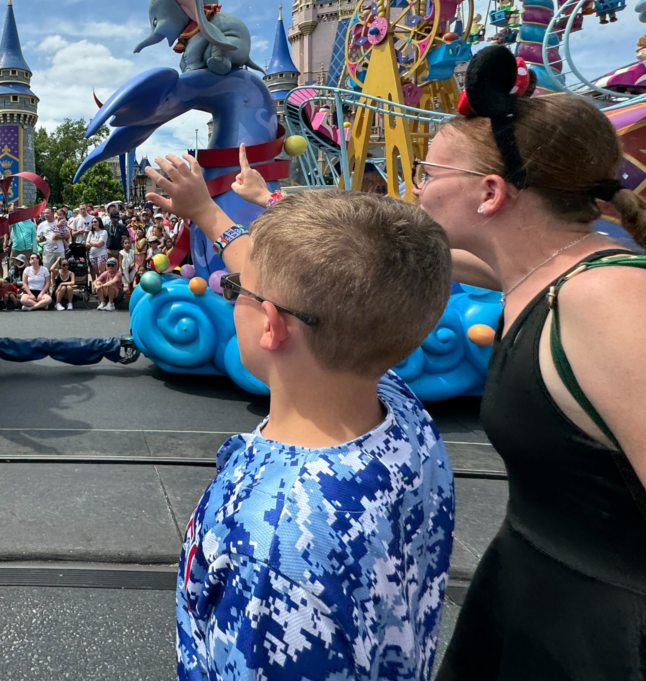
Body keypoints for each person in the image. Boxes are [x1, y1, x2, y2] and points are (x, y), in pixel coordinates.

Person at [145, 148, 455, 681]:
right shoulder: (391, 397)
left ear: (272, 324)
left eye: (236, 288)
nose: (230, 289)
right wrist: (208, 213)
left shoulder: (274, 553)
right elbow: (301, 285)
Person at [410, 47, 646, 680]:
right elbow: (429, 251)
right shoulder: (539, 271)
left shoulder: (608, 299)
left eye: (427, 171)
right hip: (540, 597)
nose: (418, 187)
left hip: (603, 637)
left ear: (490, 193)